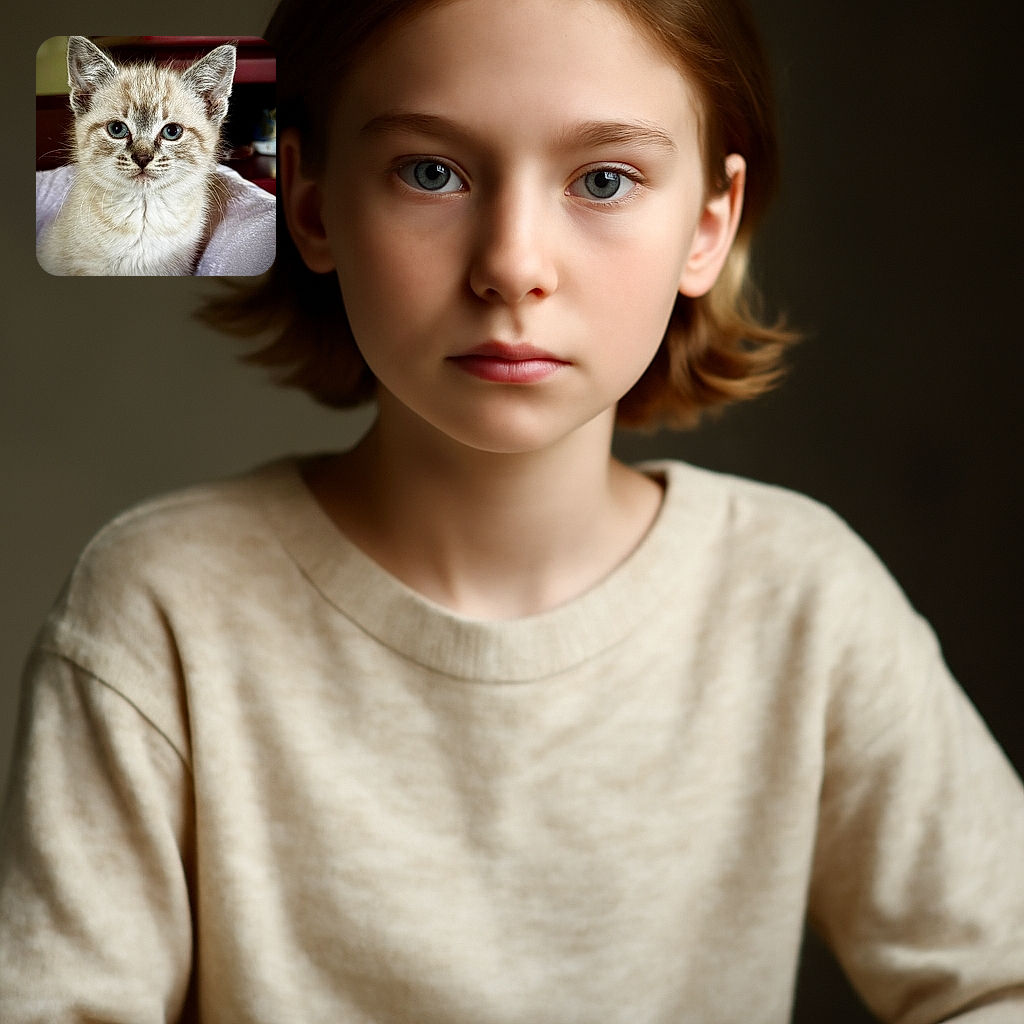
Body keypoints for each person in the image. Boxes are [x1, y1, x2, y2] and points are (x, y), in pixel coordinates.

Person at [2, 0, 1022, 1020]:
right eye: (430, 171)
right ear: (307, 202)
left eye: (604, 180)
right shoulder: (161, 609)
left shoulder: (800, 598)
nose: (512, 266)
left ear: (706, 229)